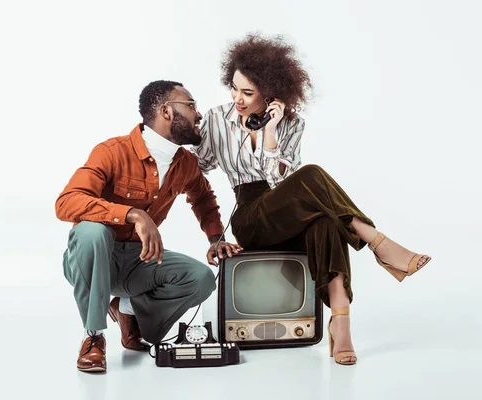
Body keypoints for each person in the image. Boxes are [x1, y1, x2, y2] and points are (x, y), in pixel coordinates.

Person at [192, 34, 431, 366]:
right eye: (233, 88)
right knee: (313, 175)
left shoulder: (291, 124)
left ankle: (341, 323)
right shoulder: (217, 118)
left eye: (248, 93)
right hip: (251, 217)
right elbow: (196, 169)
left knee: (325, 221)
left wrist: (271, 133)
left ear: (272, 95)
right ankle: (378, 242)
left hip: (289, 208)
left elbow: (281, 182)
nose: (238, 99)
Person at [55, 80, 242, 373]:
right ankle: (93, 337)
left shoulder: (185, 164)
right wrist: (133, 215)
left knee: (201, 278)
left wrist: (216, 238)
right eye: (191, 105)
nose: (199, 114)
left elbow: (203, 197)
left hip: (139, 262)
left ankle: (127, 309)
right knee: (92, 231)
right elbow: (67, 202)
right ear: (167, 111)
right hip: (94, 257)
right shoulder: (112, 151)